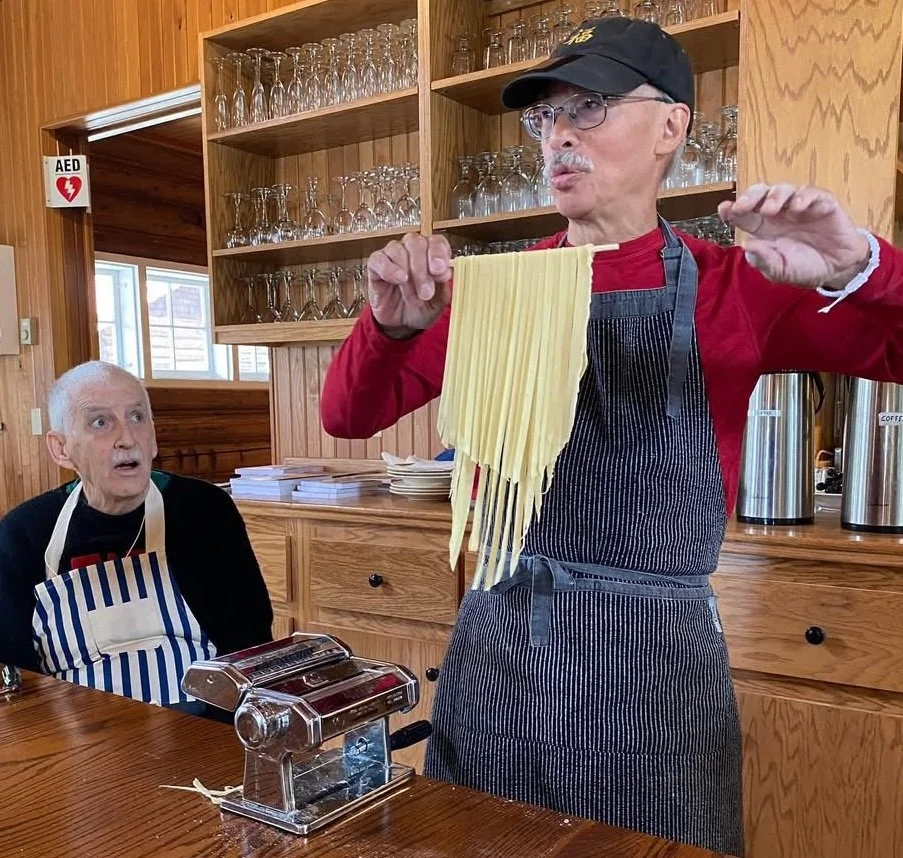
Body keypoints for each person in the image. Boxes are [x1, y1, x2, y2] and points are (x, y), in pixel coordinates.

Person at [319, 17, 903, 857]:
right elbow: (346, 413)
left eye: (587, 108)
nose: (557, 134)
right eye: (544, 118)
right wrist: (391, 328)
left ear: (671, 126)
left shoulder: (737, 286)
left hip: (655, 672)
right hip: (499, 647)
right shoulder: (493, 291)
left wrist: (857, 266)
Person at [0, 361, 273, 717]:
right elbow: (16, 678)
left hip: (202, 734)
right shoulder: (25, 532)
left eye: (137, 418)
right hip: (73, 748)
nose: (127, 438)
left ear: (154, 437)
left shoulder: (204, 512)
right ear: (61, 449)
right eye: (101, 422)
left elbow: (250, 647)